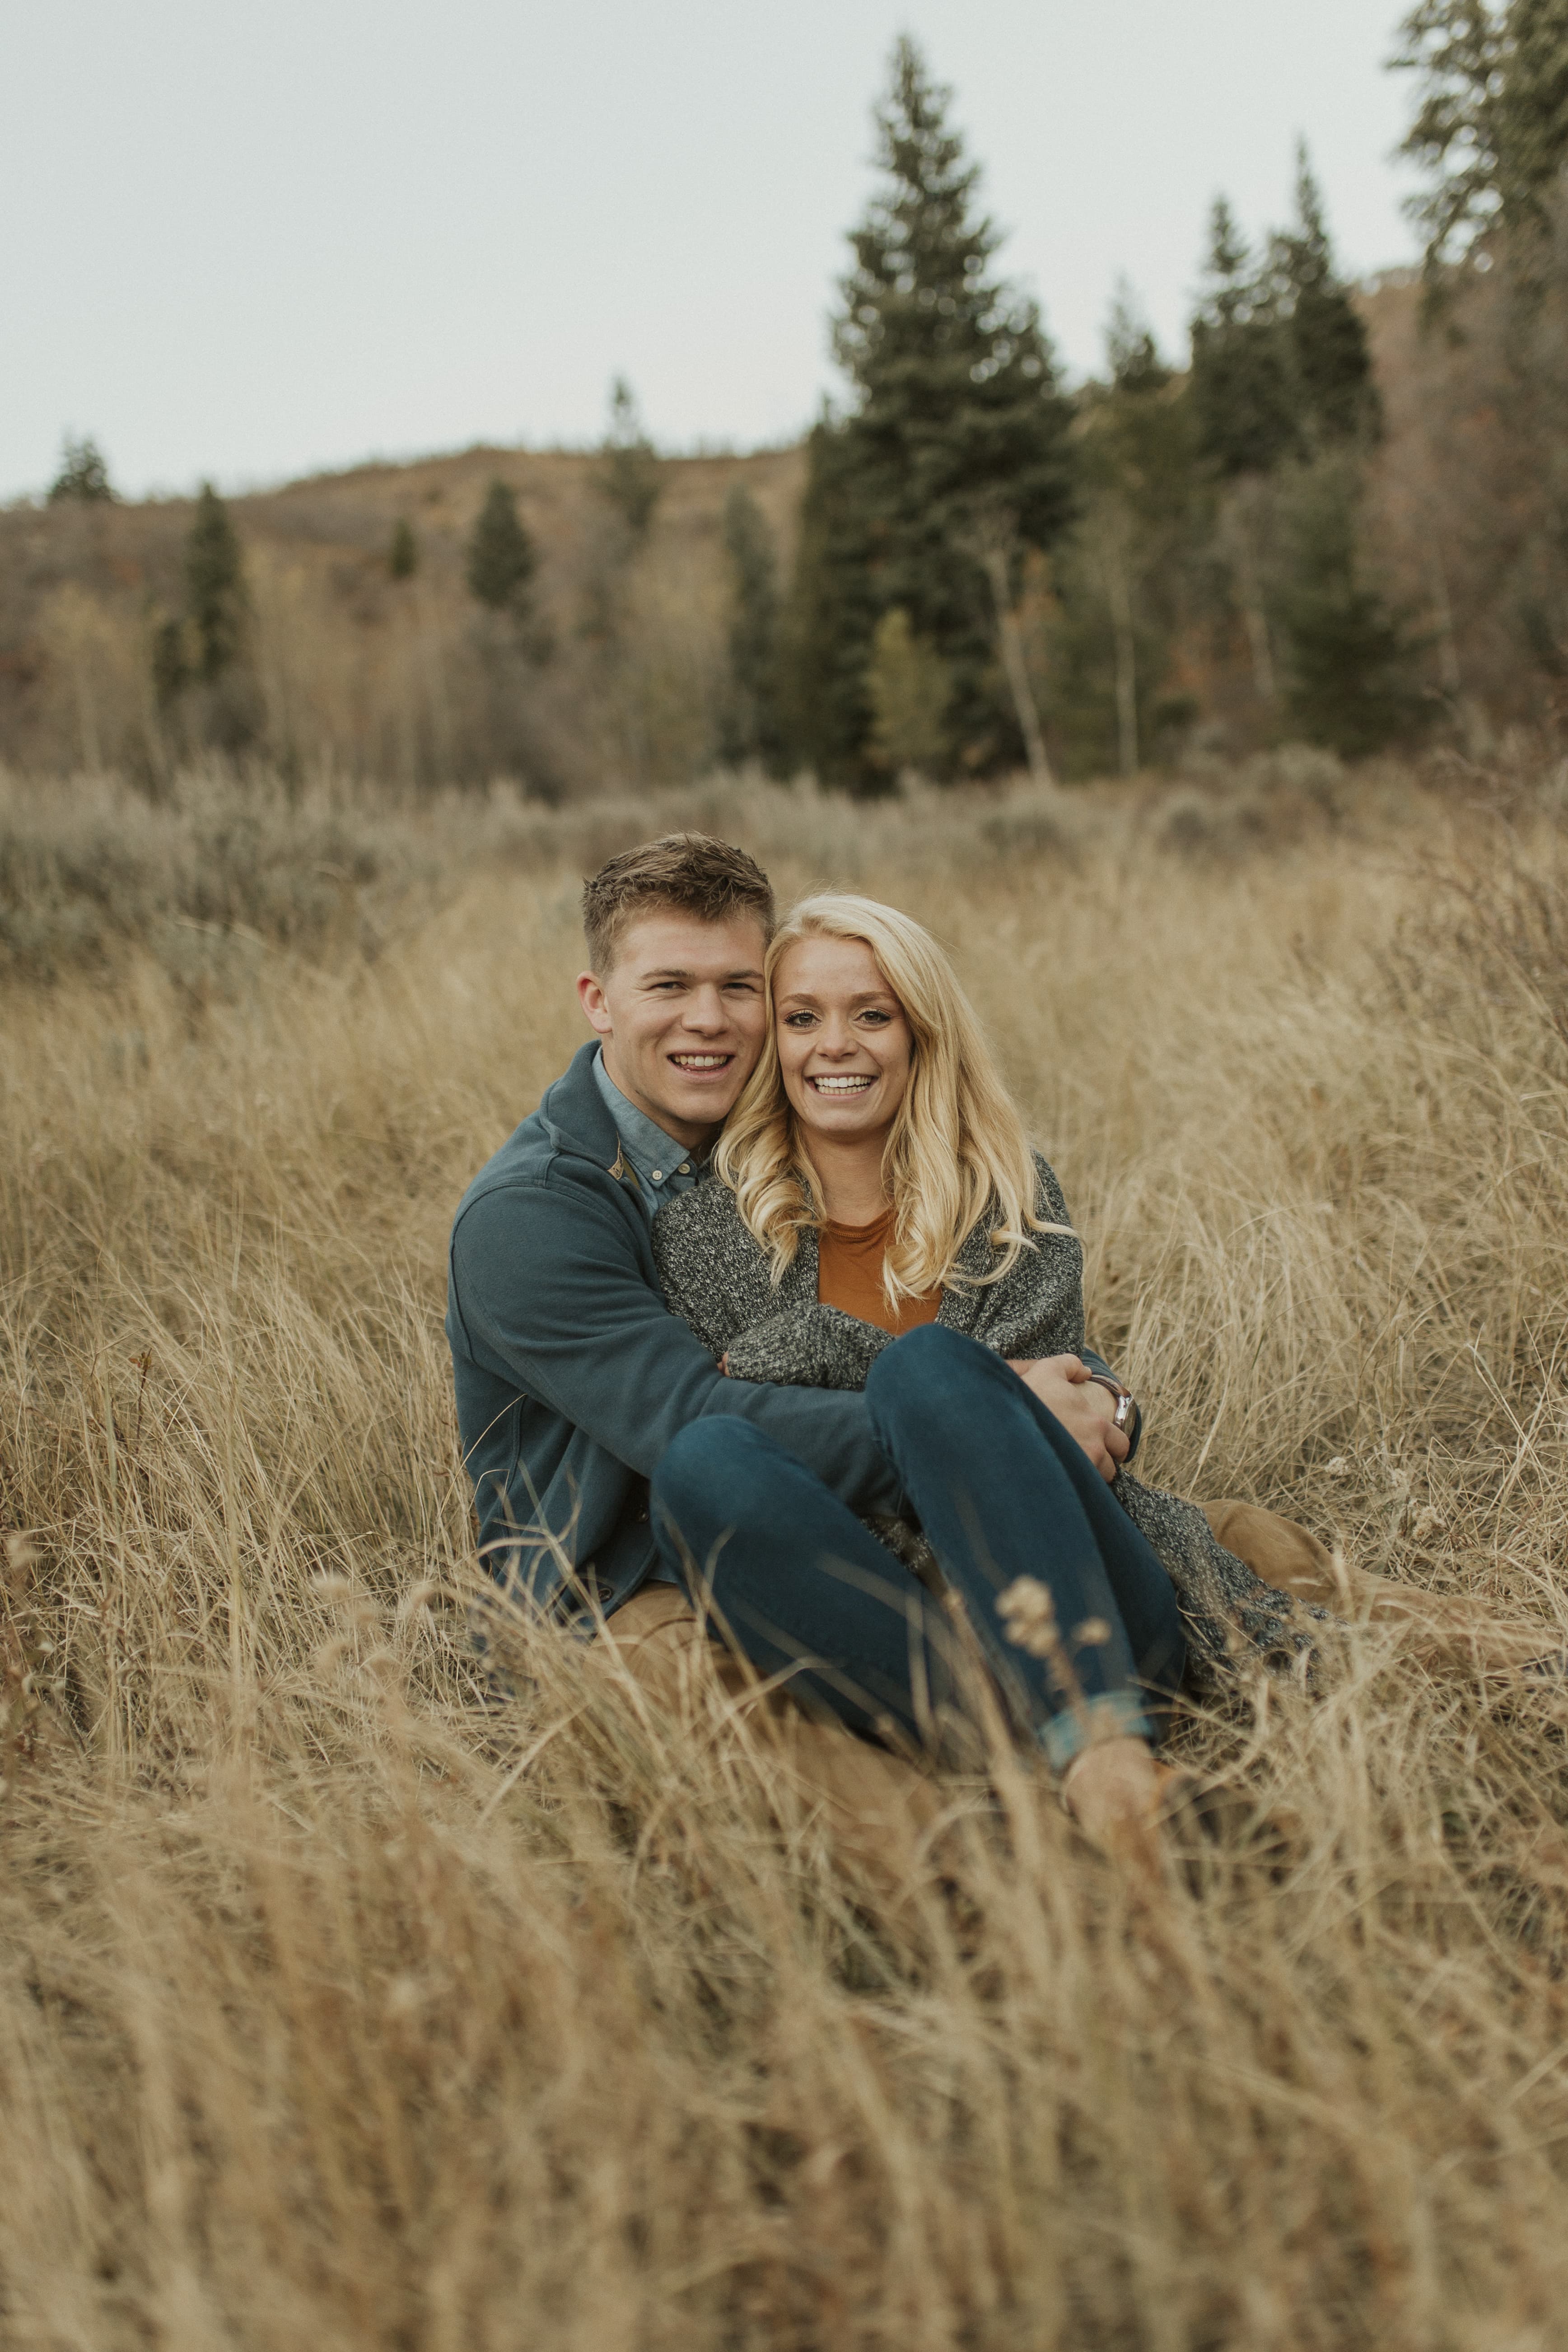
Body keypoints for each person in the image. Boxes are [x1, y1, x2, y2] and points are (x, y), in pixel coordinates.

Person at [649, 894, 1319, 1854]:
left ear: (921, 1033)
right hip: (889, 1635)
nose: (833, 1046)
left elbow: (1071, 1432)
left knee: (928, 1368)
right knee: (701, 1459)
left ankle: (1105, 1764)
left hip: (1078, 1612)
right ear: (773, 1040)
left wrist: (840, 1354)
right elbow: (756, 1425)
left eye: (871, 1015)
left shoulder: (1002, 1190)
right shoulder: (705, 1226)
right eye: (801, 1018)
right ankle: (1018, 1745)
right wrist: (974, 1395)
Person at [445, 836, 1135, 1637]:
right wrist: (993, 1422)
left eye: (738, 987)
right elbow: (691, 1416)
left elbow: (977, 1332)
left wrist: (1104, 1401)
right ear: (598, 1000)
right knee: (769, 1721)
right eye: (669, 985)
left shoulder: (763, 1138)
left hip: (824, 1535)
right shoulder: (527, 1215)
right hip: (618, 1585)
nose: (707, 1021)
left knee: (1216, 1542)